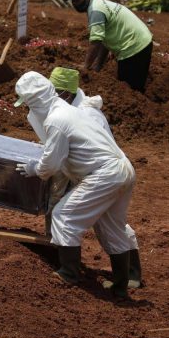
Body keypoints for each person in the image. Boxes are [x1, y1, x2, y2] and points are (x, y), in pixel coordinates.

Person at [14, 71, 139, 298]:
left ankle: (68, 273)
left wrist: (34, 168)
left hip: (104, 174)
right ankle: (122, 285)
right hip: (122, 169)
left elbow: (50, 165)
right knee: (111, 226)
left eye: (28, 105)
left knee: (64, 215)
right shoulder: (70, 111)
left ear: (34, 101)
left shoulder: (56, 120)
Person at [47, 67, 143, 288]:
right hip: (104, 171)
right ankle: (127, 278)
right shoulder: (73, 109)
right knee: (109, 221)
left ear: (65, 93)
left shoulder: (87, 113)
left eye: (54, 92)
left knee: (93, 218)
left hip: (104, 172)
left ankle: (128, 274)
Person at [64, 0, 153, 93]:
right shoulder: (97, 4)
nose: (75, 3)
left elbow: (96, 42)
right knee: (132, 88)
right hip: (140, 42)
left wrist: (85, 67)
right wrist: (98, 66)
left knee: (129, 92)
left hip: (134, 48)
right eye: (72, 0)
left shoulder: (96, 10)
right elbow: (103, 41)